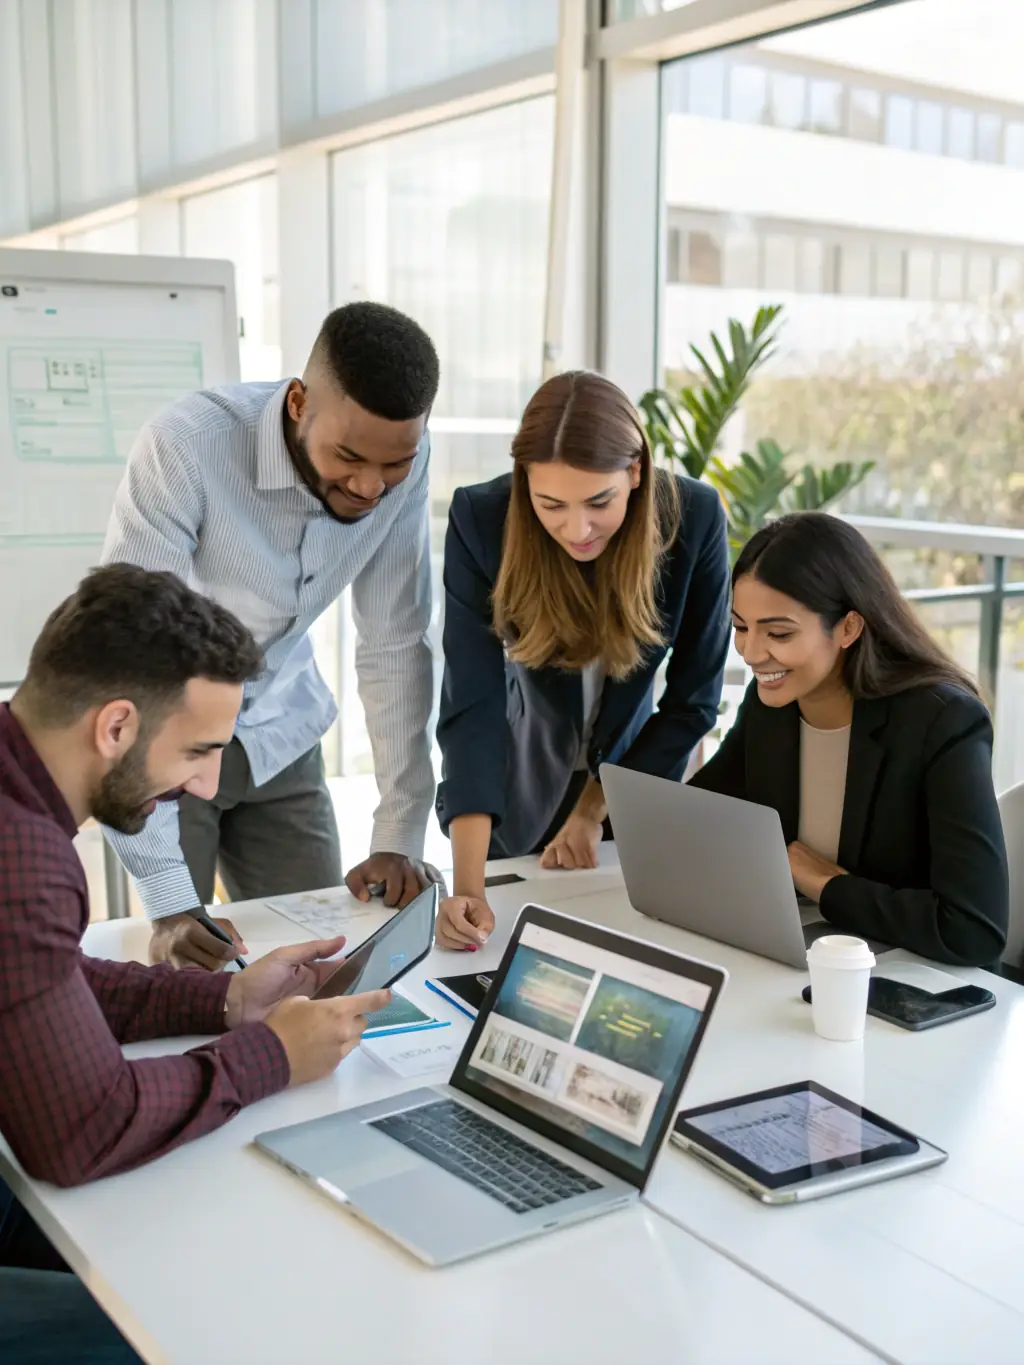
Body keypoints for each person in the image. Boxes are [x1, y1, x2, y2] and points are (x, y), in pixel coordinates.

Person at [0, 565, 391, 1357]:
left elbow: (46, 976)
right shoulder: (23, 854)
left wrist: (224, 1002)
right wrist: (271, 1055)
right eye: (201, 750)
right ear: (115, 727)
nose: (207, 783)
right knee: (199, 1327)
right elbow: (82, 1130)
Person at [102, 302, 442, 971]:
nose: (371, 486)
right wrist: (169, 900)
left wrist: (400, 832)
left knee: (321, 962)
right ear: (296, 403)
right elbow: (136, 662)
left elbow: (395, 642)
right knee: (187, 974)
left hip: (281, 734)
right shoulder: (186, 445)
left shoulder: (405, 457)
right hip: (170, 744)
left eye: (393, 464)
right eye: (348, 456)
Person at [434, 370, 731, 951]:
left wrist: (597, 806)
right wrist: (467, 886)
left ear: (636, 473)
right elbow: (473, 707)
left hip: (637, 788)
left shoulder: (692, 517)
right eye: (551, 504)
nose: (578, 528)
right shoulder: (481, 520)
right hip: (513, 796)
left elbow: (693, 701)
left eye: (600, 501)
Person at [689, 512, 1009, 967]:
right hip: (803, 962)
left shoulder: (942, 721)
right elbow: (700, 816)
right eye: (741, 627)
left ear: (848, 628)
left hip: (914, 981)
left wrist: (826, 885)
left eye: (778, 632)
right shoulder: (773, 704)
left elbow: (973, 929)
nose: (752, 653)